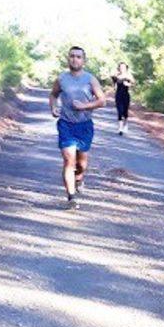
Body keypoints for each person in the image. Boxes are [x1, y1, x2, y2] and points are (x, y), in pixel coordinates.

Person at [49, 46, 106, 209]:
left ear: (84, 60)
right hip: (66, 124)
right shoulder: (61, 79)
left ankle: (79, 179)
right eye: (72, 56)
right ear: (68, 59)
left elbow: (102, 101)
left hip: (84, 125)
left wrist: (85, 106)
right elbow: (53, 94)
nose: (75, 59)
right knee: (69, 160)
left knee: (81, 164)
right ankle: (71, 197)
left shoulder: (90, 79)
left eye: (78, 57)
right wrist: (53, 108)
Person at [111, 61, 135, 135]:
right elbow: (113, 83)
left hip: (126, 95)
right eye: (121, 67)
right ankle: (120, 128)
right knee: (119, 111)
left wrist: (128, 84)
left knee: (125, 111)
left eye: (124, 67)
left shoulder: (128, 75)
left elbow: (133, 83)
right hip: (118, 95)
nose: (122, 68)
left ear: (126, 68)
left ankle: (125, 125)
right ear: (119, 68)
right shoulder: (117, 75)